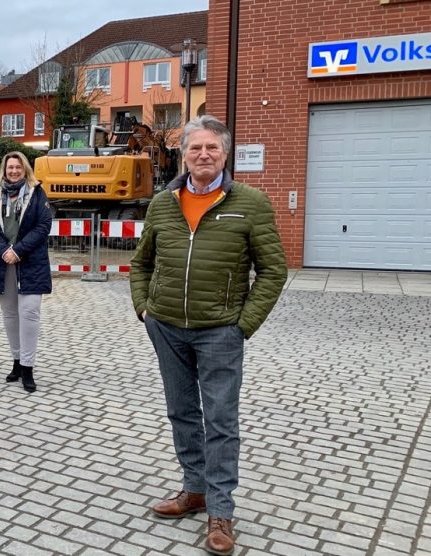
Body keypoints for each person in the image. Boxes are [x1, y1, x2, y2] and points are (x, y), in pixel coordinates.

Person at [130, 115, 287, 555]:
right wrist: (144, 308)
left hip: (220, 332)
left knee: (220, 422)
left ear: (225, 155)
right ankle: (193, 490)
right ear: (183, 155)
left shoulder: (250, 203)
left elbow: (273, 271)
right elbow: (142, 262)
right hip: (167, 327)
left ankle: (221, 512)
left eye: (211, 149)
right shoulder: (163, 202)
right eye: (195, 148)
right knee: (182, 413)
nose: (203, 155)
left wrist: (243, 324)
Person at [0, 151, 52, 393]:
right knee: (10, 315)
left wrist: (18, 251)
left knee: (29, 313)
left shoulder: (37, 193)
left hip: (31, 262)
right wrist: (4, 250)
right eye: (10, 167)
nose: (13, 171)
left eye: (18, 168)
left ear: (25, 170)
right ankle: (16, 362)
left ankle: (28, 368)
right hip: (3, 263)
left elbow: (44, 226)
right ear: (4, 169)